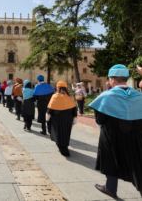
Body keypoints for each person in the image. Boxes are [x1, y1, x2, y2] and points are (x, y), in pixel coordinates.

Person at [89, 64, 142, 198]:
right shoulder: (138, 96)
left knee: (110, 160)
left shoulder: (107, 96)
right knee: (138, 165)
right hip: (135, 136)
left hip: (111, 136)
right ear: (126, 78)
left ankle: (111, 188)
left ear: (112, 79)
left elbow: (99, 120)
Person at [47, 81, 77, 157]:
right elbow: (74, 109)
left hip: (57, 118)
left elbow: (50, 108)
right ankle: (65, 146)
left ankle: (62, 148)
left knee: (59, 133)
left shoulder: (55, 96)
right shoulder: (69, 97)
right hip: (68, 118)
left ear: (58, 88)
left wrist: (48, 116)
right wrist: (75, 118)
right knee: (66, 132)